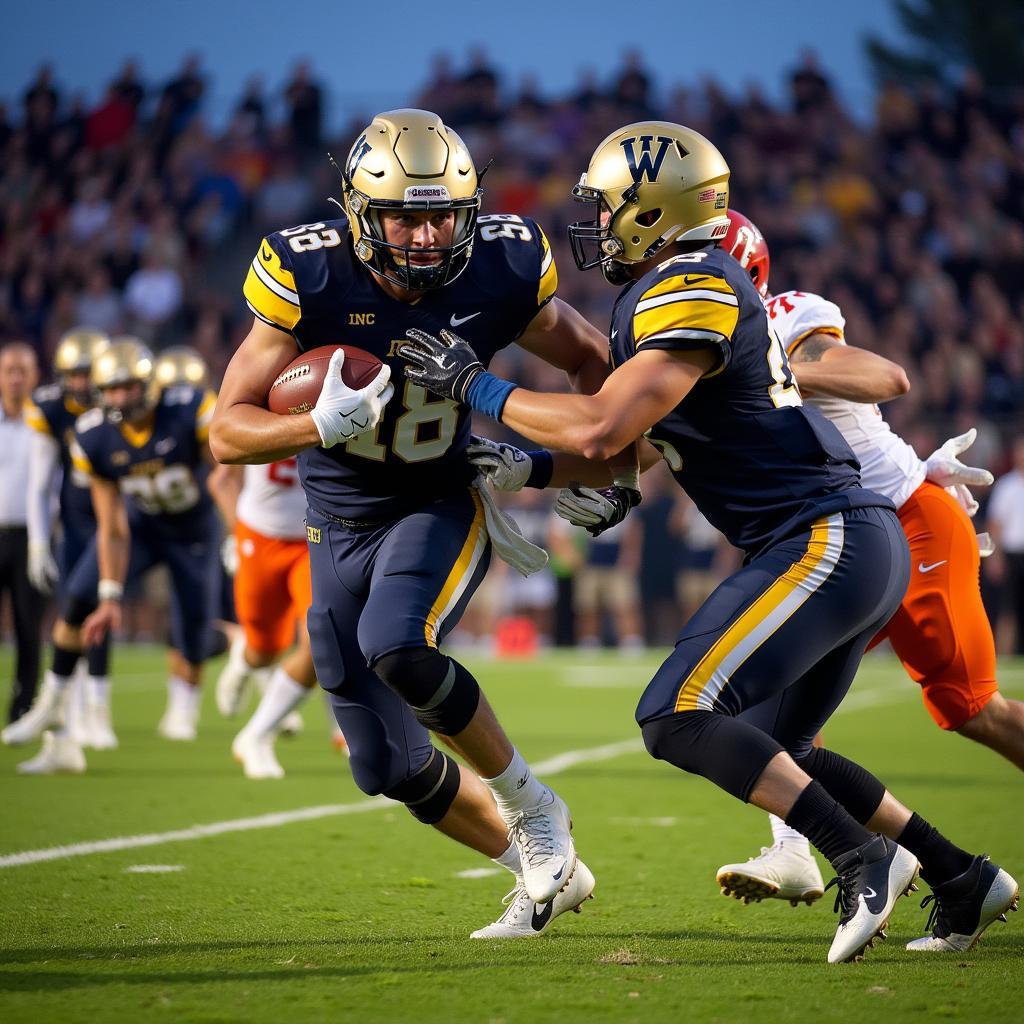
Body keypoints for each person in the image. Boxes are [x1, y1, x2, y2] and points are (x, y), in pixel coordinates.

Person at [399, 120, 1019, 962]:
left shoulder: (693, 281)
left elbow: (603, 425)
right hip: (842, 541)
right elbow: (629, 448)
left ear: (655, 212)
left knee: (674, 713)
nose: (597, 222)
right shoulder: (678, 291)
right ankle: (961, 877)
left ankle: (859, 856)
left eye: (610, 206)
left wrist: (478, 385)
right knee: (784, 746)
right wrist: (530, 472)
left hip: (825, 538)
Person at [209, 109, 626, 938]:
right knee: (386, 765)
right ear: (361, 215)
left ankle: (535, 810)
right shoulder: (307, 273)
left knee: (398, 644)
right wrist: (315, 427)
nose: (428, 236)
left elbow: (590, 362)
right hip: (333, 519)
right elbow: (226, 431)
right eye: (406, 215)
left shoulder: (504, 264)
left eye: (443, 214)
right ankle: (547, 871)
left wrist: (606, 465)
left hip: (438, 498)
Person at [713, 212, 1024, 928]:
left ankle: (858, 857)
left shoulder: (785, 320)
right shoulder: (693, 353)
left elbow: (883, 375)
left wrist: (769, 372)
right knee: (767, 709)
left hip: (907, 526)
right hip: (840, 541)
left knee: (973, 712)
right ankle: (798, 849)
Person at [2, 338, 220, 773]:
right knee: (80, 597)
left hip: (193, 529)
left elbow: (226, 473)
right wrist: (110, 593)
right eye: (111, 389)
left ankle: (193, 695)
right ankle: (52, 704)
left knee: (195, 633)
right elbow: (113, 526)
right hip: (139, 526)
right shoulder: (94, 435)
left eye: (128, 387)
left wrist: (237, 530)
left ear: (148, 385)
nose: (120, 398)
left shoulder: (187, 410)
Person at [208, 457, 334, 779]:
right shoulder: (259, 405)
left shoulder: (347, 406)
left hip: (315, 540)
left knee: (323, 642)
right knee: (264, 650)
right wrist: (236, 533)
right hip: (259, 536)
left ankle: (258, 734)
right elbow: (221, 479)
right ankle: (244, 659)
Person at [22, 329, 116, 748]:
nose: (79, 384)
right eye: (72, 375)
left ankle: (96, 711)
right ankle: (72, 716)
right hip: (75, 522)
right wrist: (39, 541)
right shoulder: (49, 407)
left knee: (95, 608)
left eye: (86, 374)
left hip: (112, 518)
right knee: (75, 610)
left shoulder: (118, 403)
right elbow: (40, 482)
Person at [0, 341, 45, 723]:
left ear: (35, 376)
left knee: (29, 626)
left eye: (22, 371)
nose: (16, 378)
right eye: (9, 370)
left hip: (32, 538)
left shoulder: (44, 421)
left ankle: (24, 706)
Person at [986, 437, 1024, 654]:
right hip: (1011, 553)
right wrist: (996, 556)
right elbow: (995, 523)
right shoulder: (1007, 485)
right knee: (1007, 610)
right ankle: (1004, 655)